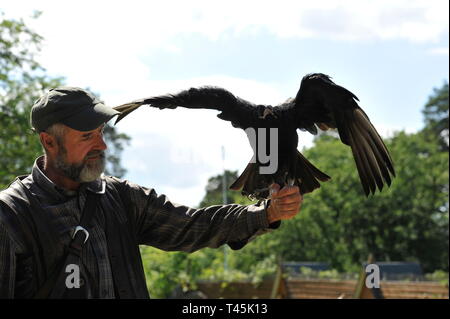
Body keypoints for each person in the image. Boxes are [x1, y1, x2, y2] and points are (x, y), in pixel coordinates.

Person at [0, 87, 303, 299]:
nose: (102, 145)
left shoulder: (119, 198)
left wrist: (268, 213)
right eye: (87, 136)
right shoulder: (11, 216)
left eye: (102, 133)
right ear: (49, 142)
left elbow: (195, 226)